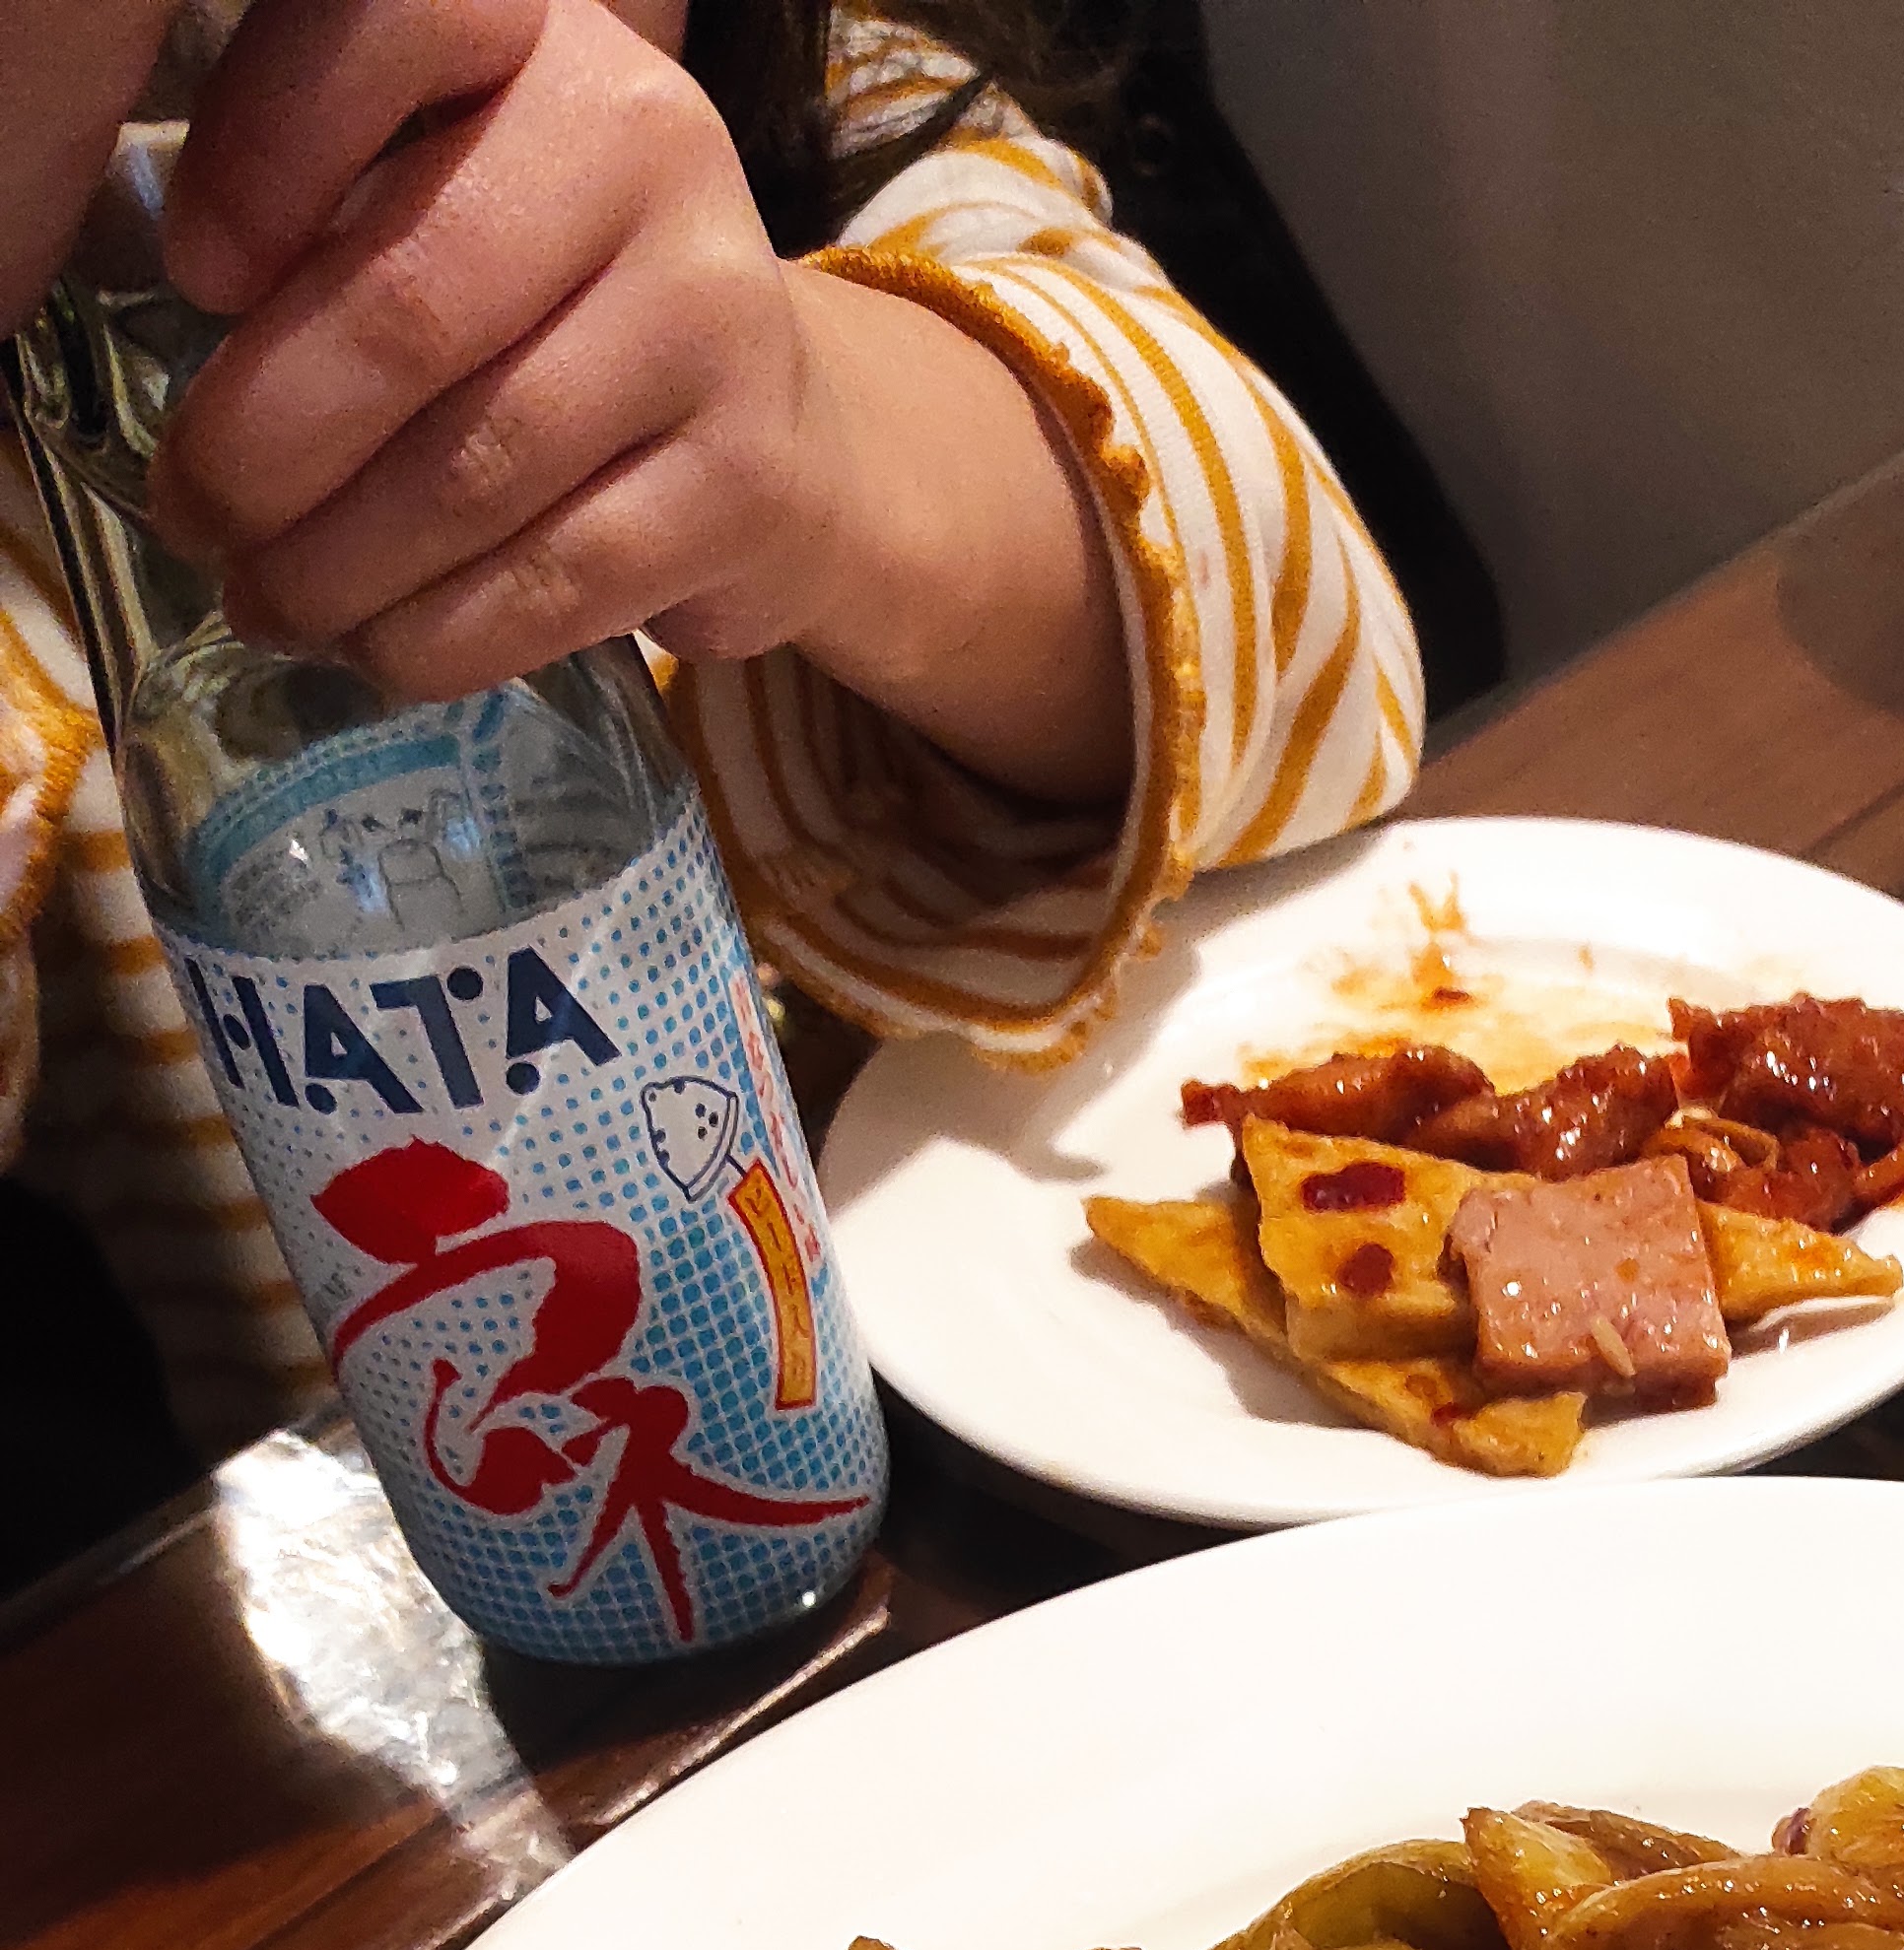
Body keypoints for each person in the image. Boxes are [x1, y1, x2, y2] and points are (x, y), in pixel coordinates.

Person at [0, 0, 1424, 1490]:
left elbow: (1336, 674)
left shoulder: (848, 118)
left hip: (1097, 1419)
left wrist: (831, 432)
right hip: (430, 1544)